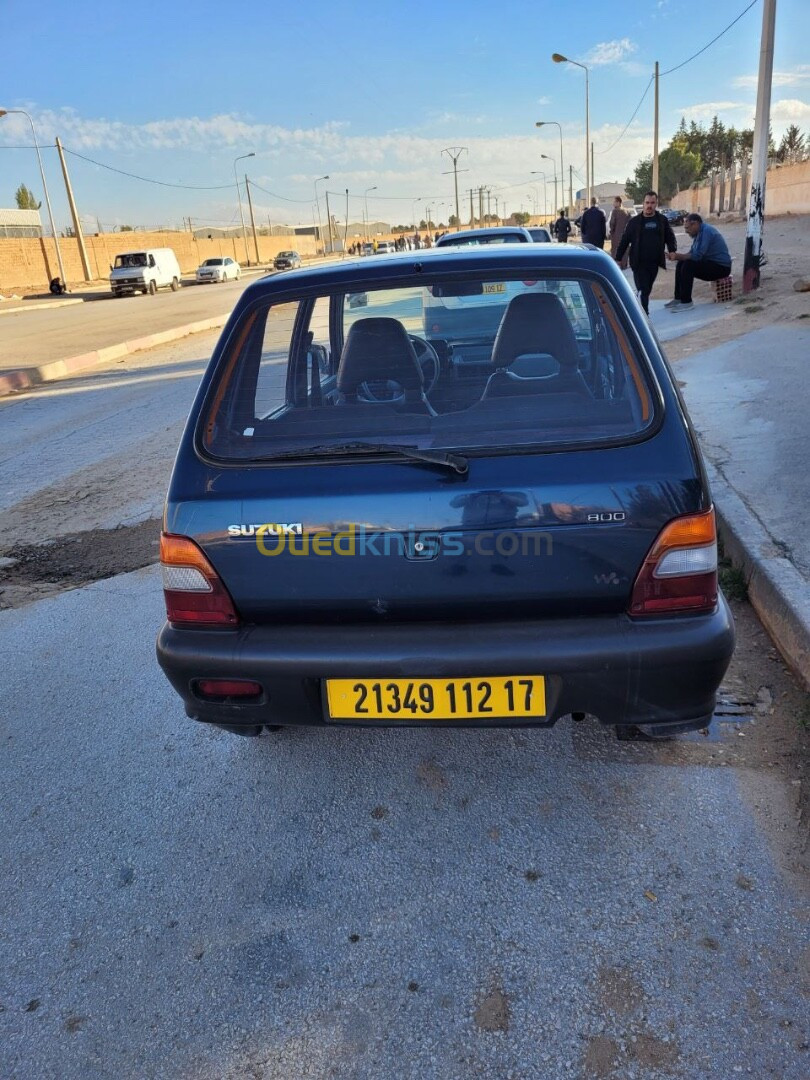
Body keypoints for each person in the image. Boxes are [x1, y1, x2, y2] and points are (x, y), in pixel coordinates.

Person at [614, 190, 677, 314]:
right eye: (647, 202)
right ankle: (644, 314)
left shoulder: (662, 220)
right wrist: (618, 258)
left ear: (656, 204)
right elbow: (625, 240)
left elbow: (670, 237)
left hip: (654, 262)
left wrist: (672, 250)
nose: (649, 205)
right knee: (643, 288)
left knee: (647, 289)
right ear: (643, 203)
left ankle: (641, 308)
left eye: (652, 203)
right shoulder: (634, 222)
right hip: (638, 262)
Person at [665, 213, 732, 311]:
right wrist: (676, 257)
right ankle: (678, 298)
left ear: (695, 224)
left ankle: (687, 302)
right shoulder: (699, 233)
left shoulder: (707, 232)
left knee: (688, 265)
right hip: (711, 264)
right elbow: (691, 253)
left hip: (721, 268)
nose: (686, 231)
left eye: (687, 228)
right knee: (681, 263)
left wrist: (678, 256)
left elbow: (697, 256)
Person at [608, 197, 630, 268]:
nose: (613, 203)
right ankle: (624, 265)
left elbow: (612, 223)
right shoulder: (627, 211)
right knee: (625, 251)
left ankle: (617, 267)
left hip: (616, 236)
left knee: (615, 251)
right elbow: (630, 223)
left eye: (614, 202)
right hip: (626, 236)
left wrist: (611, 233)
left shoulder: (615, 211)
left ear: (618, 202)